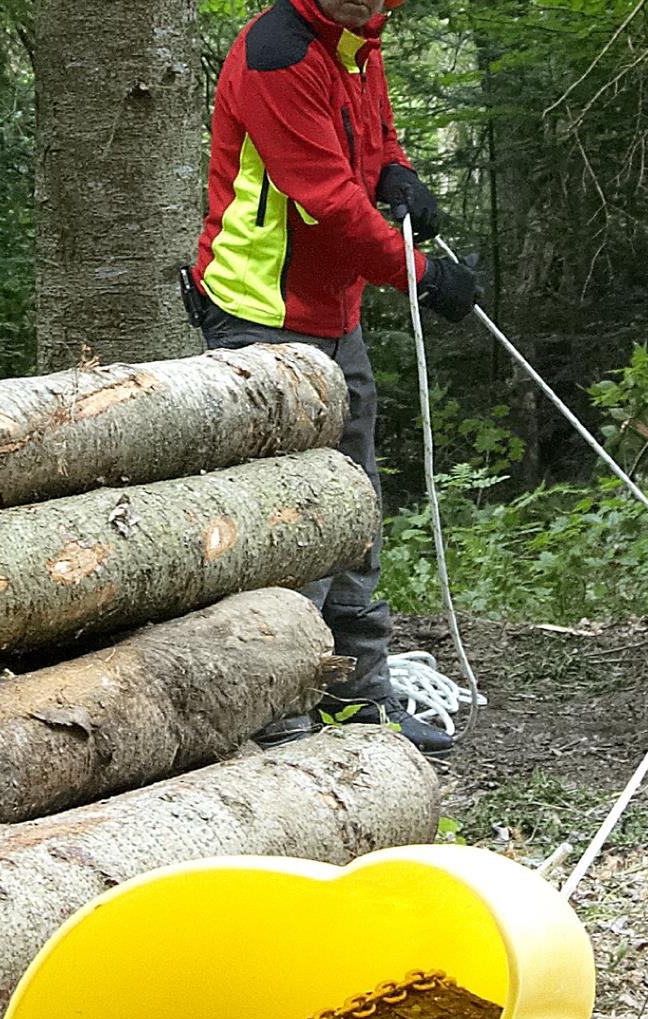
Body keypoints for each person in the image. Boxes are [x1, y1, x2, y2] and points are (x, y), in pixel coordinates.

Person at [191, 0, 479, 756]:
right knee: (292, 523)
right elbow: (324, 203)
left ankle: (356, 700)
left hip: (332, 315)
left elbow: (371, 140)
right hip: (260, 316)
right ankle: (282, 719)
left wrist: (399, 171)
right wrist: (419, 275)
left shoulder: (361, 41)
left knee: (354, 507)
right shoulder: (278, 53)